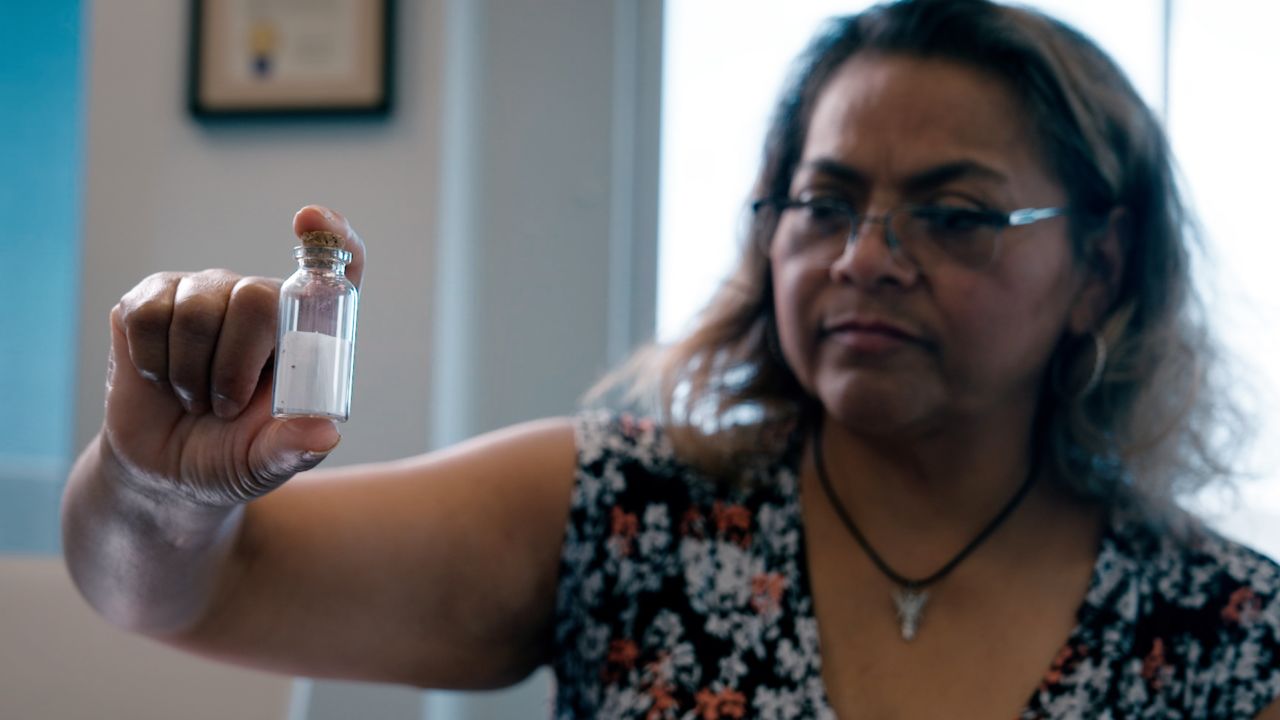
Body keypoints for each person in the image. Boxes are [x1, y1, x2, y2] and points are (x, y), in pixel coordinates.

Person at [62, 0, 1280, 717]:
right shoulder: (621, 511)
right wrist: (162, 485)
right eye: (821, 202)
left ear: (1100, 269)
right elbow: (167, 588)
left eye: (954, 212)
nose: (864, 257)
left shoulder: (1229, 631)